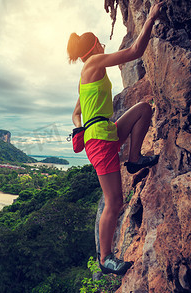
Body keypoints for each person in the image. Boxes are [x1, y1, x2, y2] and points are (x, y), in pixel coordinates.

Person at [67, 1, 163, 275]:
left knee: (143, 109)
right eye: (100, 43)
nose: (102, 47)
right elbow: (135, 51)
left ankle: (134, 160)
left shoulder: (86, 76)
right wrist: (151, 16)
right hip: (99, 140)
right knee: (114, 202)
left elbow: (75, 113)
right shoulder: (94, 62)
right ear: (95, 46)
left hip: (105, 133)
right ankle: (105, 257)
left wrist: (79, 127)